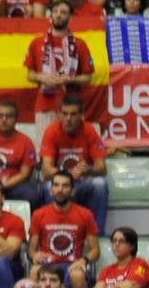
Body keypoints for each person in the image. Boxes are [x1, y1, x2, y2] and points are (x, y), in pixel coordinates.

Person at [28, 170, 100, 288]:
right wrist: (35, 256)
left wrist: (84, 260)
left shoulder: (85, 214)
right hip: (47, 264)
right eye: (56, 185)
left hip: (72, 265)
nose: (60, 190)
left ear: (73, 191)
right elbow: (31, 250)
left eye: (65, 186)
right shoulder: (39, 214)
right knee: (34, 271)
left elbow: (95, 251)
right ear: (51, 190)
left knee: (78, 276)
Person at [39, 96, 109, 232]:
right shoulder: (51, 131)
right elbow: (46, 170)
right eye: (64, 114)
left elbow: (102, 168)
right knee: (48, 186)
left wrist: (87, 170)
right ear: (59, 114)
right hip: (60, 183)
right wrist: (69, 174)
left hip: (82, 182)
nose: (68, 119)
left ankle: (97, 234)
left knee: (100, 184)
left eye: (73, 114)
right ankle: (52, 231)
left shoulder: (89, 131)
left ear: (82, 115)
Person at [23, 0, 94, 117]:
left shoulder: (79, 44)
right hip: (45, 105)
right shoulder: (37, 42)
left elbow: (88, 78)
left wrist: (70, 79)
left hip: (72, 107)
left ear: (70, 18)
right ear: (50, 15)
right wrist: (42, 77)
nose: (58, 15)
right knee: (46, 136)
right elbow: (30, 75)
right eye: (55, 11)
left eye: (63, 12)